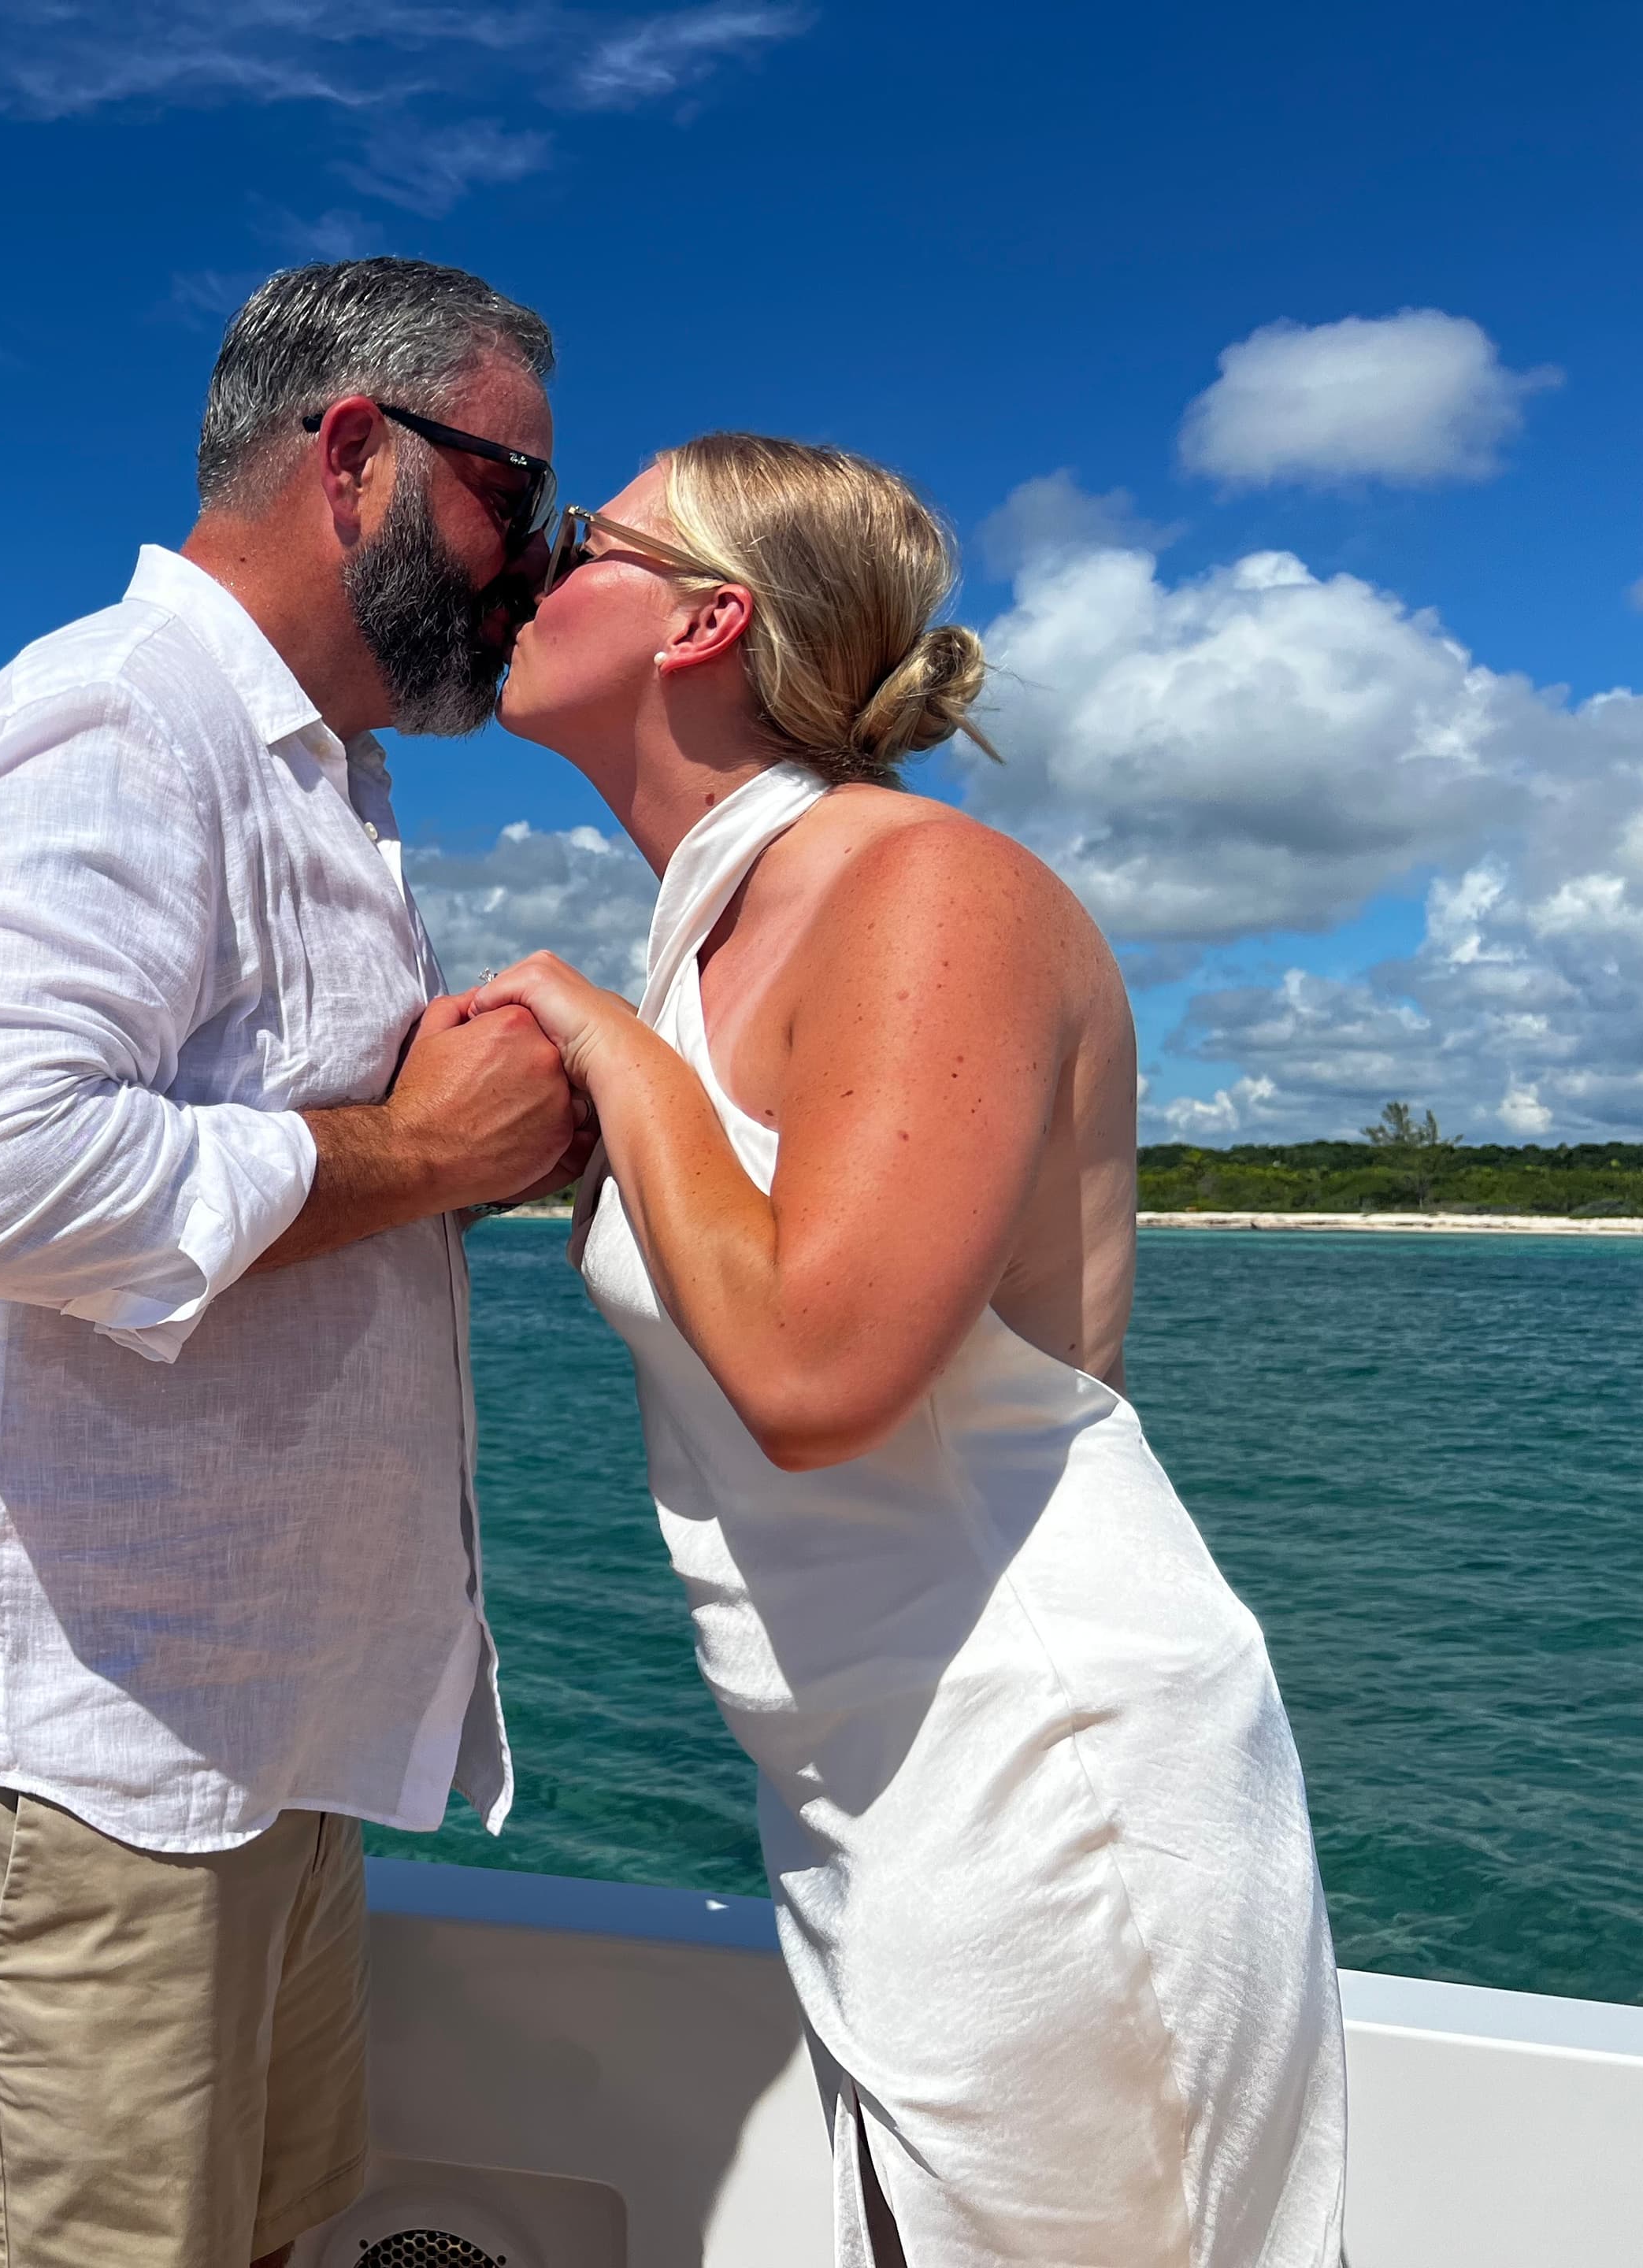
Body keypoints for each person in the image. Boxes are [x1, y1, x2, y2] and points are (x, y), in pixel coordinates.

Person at [0, 258, 590, 2268]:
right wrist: (418, 1152)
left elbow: (289, 1176)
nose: (542, 565)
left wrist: (452, 1151)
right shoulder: (117, 719)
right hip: (62, 1791)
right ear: (357, 455)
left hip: (235, 1754)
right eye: (519, 497)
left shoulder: (325, 779)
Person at [473, 433, 1349, 2267]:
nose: (524, 566)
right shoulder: (719, 927)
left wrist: (599, 1046)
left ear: (703, 619)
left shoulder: (920, 889)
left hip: (1046, 1760)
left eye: (576, 541)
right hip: (868, 1775)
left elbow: (817, 1371)